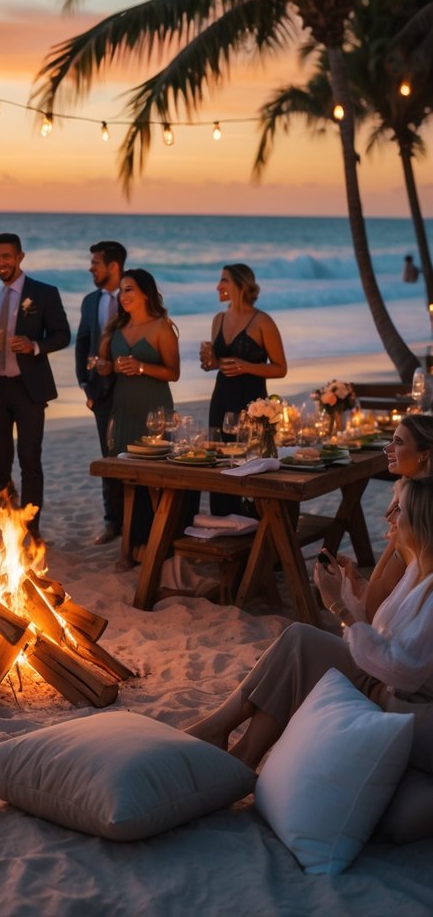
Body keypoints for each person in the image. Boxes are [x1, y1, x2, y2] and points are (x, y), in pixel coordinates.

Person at [186, 475, 433, 771]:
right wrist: (347, 591)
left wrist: (339, 608)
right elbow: (381, 629)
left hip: (403, 705)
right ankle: (234, 745)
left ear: (421, 523)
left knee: (300, 649)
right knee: (299, 639)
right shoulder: (418, 568)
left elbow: (403, 672)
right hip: (385, 681)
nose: (388, 515)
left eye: (399, 509)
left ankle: (228, 740)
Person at [0, 232, 71, 541]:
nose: (0, 263)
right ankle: (8, 526)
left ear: (20, 257)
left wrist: (33, 345)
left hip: (29, 388)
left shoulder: (43, 293)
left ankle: (32, 529)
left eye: (6, 256)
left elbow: (62, 335)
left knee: (30, 459)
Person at [96, 268, 180, 565]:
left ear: (145, 292)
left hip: (153, 411)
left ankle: (153, 545)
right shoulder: (115, 328)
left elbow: (174, 373)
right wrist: (103, 367)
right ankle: (129, 548)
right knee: (126, 480)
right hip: (123, 409)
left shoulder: (161, 328)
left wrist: (142, 367)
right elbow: (109, 368)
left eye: (129, 289)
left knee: (152, 480)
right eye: (121, 290)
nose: (123, 295)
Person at [199, 264, 287, 516]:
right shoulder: (219, 319)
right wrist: (209, 362)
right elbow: (215, 364)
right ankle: (223, 521)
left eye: (224, 280)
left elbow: (281, 368)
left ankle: (254, 522)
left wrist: (246, 366)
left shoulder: (262, 321)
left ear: (240, 285)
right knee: (220, 460)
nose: (218, 286)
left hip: (252, 402)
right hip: (221, 397)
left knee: (248, 463)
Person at [338, 414, 433, 621]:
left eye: (398, 442)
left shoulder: (419, 521)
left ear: (424, 454)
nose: (387, 449)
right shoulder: (418, 501)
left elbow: (373, 609)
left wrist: (396, 537)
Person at [75, 240, 127, 544]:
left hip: (131, 389)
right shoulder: (90, 301)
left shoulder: (134, 297)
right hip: (100, 393)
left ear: (113, 266)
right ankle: (112, 521)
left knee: (133, 457)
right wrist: (85, 383)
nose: (91, 267)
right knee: (108, 457)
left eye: (96, 262)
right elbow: (82, 341)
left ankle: (135, 519)